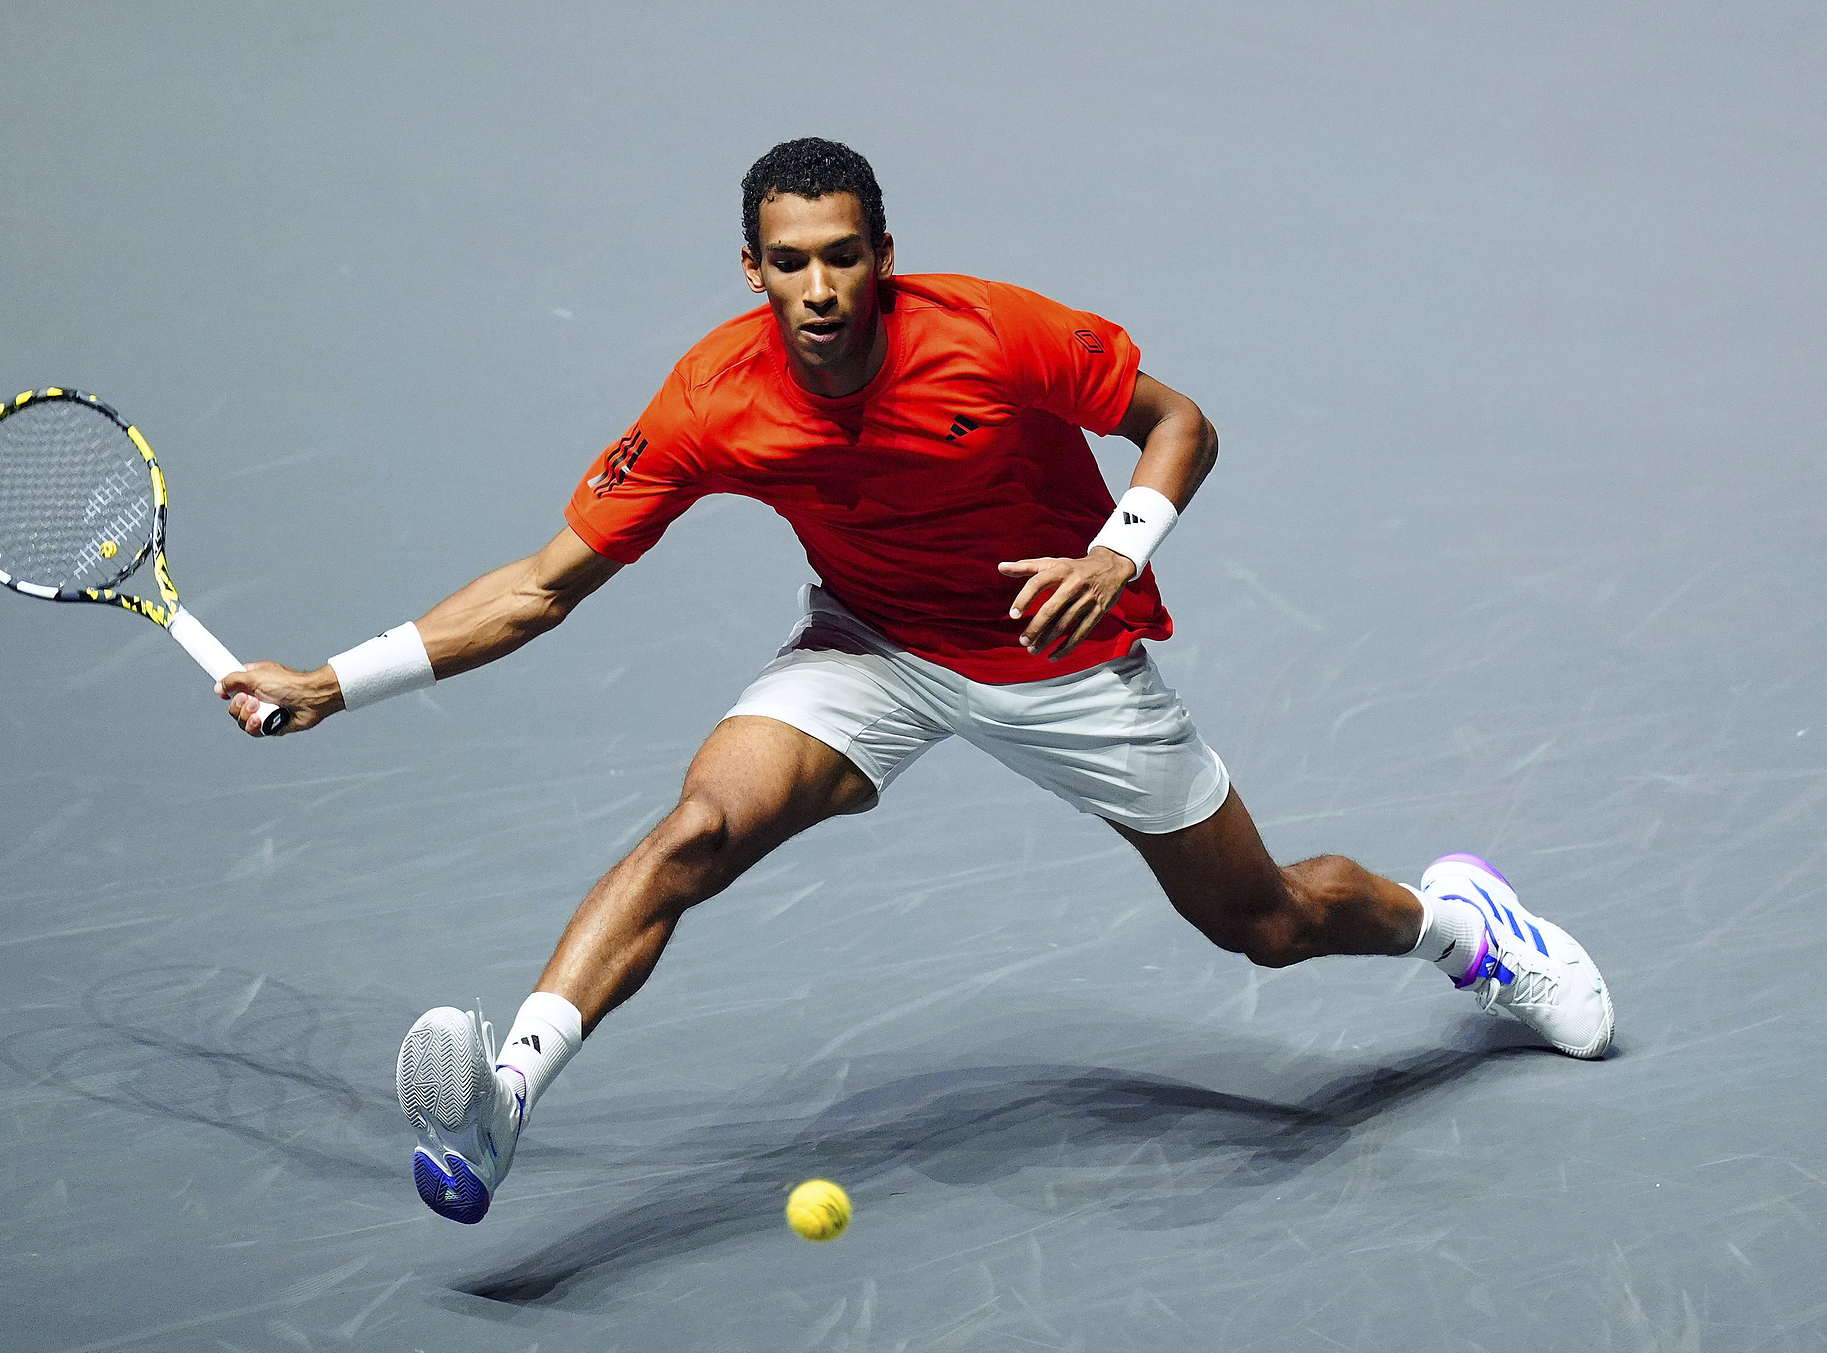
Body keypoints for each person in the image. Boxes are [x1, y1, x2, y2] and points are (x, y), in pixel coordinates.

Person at [219, 138, 1614, 1226]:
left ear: (884, 252)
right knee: (695, 831)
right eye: (787, 263)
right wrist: (338, 681)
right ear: (752, 268)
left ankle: (1466, 931)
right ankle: (503, 1101)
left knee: (1265, 921)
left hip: (1059, 653)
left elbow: (1176, 422)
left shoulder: (995, 335)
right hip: (872, 648)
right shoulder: (713, 399)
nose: (819, 289)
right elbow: (542, 584)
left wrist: (1118, 549)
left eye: (841, 257)